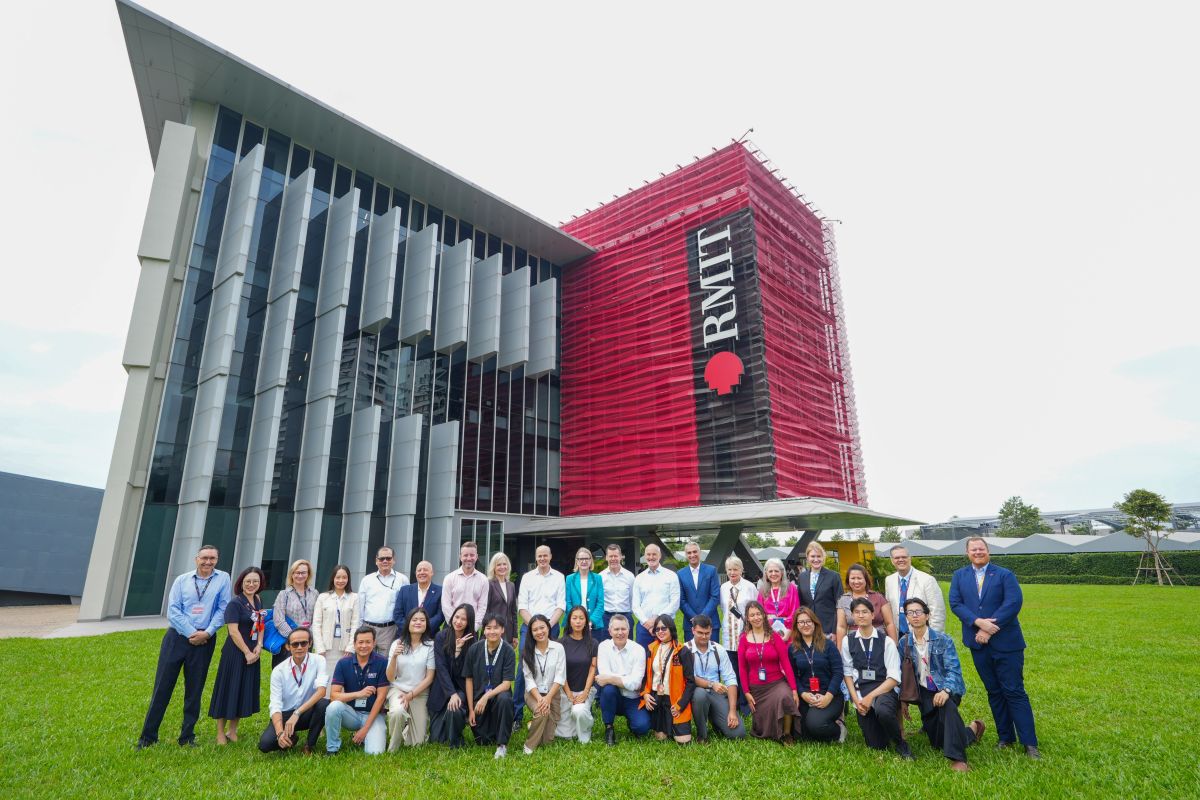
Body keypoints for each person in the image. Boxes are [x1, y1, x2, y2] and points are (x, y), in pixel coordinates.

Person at [949, 536, 1040, 759]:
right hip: (978, 646)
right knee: (994, 692)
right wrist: (978, 623)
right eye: (973, 549)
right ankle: (1005, 737)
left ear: (988, 551)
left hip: (1007, 644)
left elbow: (1013, 603)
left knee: (1014, 691)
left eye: (981, 548)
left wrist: (989, 627)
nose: (977, 552)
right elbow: (956, 603)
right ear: (967, 553)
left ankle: (1030, 744)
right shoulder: (959, 576)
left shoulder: (1004, 575)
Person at [136, 544, 231, 749]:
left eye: (212, 558)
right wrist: (191, 633)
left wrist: (207, 632)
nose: (208, 562)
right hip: (177, 639)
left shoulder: (223, 578)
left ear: (217, 560)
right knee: (162, 688)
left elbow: (223, 608)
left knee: (194, 691)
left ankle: (187, 737)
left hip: (205, 640)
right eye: (204, 558)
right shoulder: (181, 580)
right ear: (196, 559)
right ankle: (147, 737)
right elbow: (173, 611)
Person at [900, 598, 985, 771]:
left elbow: (954, 670)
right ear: (906, 617)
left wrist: (946, 691)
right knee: (938, 742)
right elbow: (902, 674)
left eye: (918, 612)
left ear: (927, 615)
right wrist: (903, 699)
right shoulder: (904, 643)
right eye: (910, 613)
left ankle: (958, 759)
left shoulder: (943, 640)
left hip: (947, 688)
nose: (914, 616)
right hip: (924, 693)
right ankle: (972, 730)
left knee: (947, 706)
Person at [841, 597, 912, 759]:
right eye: (857, 612)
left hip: (884, 689)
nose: (861, 615)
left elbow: (894, 678)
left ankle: (901, 743)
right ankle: (884, 729)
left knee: (883, 711)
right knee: (876, 744)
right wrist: (856, 700)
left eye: (865, 612)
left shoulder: (886, 641)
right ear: (852, 615)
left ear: (873, 615)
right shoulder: (847, 641)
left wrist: (870, 697)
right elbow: (847, 673)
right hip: (861, 691)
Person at [208, 566, 266, 744]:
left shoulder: (257, 600)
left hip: (252, 651)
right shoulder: (235, 603)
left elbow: (260, 624)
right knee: (228, 690)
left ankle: (232, 731)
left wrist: (259, 645)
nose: (251, 584)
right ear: (241, 583)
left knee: (242, 690)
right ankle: (220, 733)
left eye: (255, 581)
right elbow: (233, 631)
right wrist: (247, 652)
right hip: (236, 653)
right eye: (248, 581)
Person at [516, 545, 566, 724]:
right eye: (540, 556)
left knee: (553, 666)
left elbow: (561, 605)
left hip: (551, 626)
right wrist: (535, 627)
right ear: (536, 558)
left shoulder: (559, 577)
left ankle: (551, 706)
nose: (543, 559)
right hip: (529, 626)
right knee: (524, 667)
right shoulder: (527, 578)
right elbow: (522, 605)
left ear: (550, 556)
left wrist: (547, 626)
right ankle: (517, 714)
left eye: (546, 555)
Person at [258, 627, 329, 754]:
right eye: (295, 644)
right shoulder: (279, 671)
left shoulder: (319, 661)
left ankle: (309, 745)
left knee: (324, 704)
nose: (300, 647)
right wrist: (279, 733)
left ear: (310, 643)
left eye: (304, 643)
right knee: (265, 744)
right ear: (288, 647)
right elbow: (275, 705)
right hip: (285, 714)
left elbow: (321, 691)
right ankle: (291, 737)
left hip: (306, 712)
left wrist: (297, 713)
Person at [738, 600, 799, 742]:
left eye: (758, 614)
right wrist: (746, 692)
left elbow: (786, 663)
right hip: (757, 688)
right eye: (752, 615)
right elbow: (742, 668)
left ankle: (787, 734)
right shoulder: (743, 639)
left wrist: (794, 689)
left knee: (785, 696)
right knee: (762, 727)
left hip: (776, 682)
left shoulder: (774, 637)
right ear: (747, 618)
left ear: (764, 615)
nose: (756, 617)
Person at [324, 626, 389, 755]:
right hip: (351, 714)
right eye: (360, 642)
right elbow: (334, 695)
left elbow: (381, 698)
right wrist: (359, 694)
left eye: (368, 642)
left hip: (373, 715)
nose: (364, 646)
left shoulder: (382, 662)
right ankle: (332, 748)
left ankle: (366, 735)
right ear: (354, 644)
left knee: (375, 753)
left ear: (374, 643)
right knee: (333, 707)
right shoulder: (343, 663)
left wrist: (365, 729)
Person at [788, 606, 846, 744]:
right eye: (801, 622)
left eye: (808, 621)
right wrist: (803, 694)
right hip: (806, 695)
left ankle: (839, 729)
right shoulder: (793, 648)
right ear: (796, 626)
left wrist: (828, 696)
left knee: (815, 726)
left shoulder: (828, 645)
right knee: (801, 733)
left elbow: (838, 672)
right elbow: (792, 675)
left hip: (830, 695)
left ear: (815, 623)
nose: (805, 625)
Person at [685, 614, 745, 742]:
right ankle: (702, 735)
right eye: (700, 633)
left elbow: (731, 680)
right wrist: (711, 684)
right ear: (693, 631)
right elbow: (688, 677)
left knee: (738, 734)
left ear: (711, 631)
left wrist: (732, 711)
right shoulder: (685, 650)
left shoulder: (719, 650)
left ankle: (715, 719)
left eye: (707, 633)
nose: (704, 637)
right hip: (693, 693)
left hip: (716, 694)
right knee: (700, 694)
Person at [465, 613, 517, 759]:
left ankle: (502, 745)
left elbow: (507, 684)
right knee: (483, 741)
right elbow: (468, 679)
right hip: (478, 702)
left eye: (496, 628)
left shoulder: (508, 651)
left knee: (505, 699)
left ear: (502, 630)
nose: (492, 631)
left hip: (497, 699)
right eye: (488, 628)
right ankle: (495, 730)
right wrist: (470, 709)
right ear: (483, 630)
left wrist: (486, 696)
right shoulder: (474, 649)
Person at [595, 614, 650, 745]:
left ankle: (632, 722)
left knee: (642, 728)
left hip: (633, 698)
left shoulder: (638, 650)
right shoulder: (603, 647)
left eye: (623, 629)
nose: (620, 633)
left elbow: (636, 684)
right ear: (610, 631)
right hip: (613, 696)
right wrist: (626, 679)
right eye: (616, 629)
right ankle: (609, 728)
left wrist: (612, 678)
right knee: (608, 689)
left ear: (629, 631)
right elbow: (603, 677)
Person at [386, 607, 436, 749]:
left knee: (417, 743)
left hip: (419, 693)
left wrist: (411, 696)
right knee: (397, 712)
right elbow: (390, 677)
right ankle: (393, 746)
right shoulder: (397, 644)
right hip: (399, 690)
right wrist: (394, 657)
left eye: (422, 620)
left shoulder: (430, 646)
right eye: (414, 620)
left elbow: (429, 677)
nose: (418, 622)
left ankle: (407, 728)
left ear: (426, 624)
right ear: (408, 623)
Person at [641, 613, 694, 745]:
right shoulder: (651, 649)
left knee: (683, 741)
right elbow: (645, 677)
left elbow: (691, 682)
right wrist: (645, 694)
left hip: (676, 699)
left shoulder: (682, 651)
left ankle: (676, 726)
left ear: (671, 628)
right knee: (660, 737)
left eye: (663, 628)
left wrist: (680, 705)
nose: (660, 631)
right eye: (657, 629)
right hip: (657, 697)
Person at [429, 603, 475, 748]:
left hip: (461, 687)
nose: (458, 622)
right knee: (437, 739)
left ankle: (456, 739)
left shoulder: (472, 641)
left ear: (469, 622)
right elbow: (441, 668)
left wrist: (459, 653)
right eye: (456, 617)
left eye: (463, 619)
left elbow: (465, 673)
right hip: (442, 688)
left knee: (454, 709)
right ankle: (449, 728)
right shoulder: (441, 636)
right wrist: (451, 693)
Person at [520, 614, 565, 754]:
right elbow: (528, 680)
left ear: (548, 628)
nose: (539, 632)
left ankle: (533, 724)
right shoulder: (527, 651)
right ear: (531, 633)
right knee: (541, 711)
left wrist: (548, 698)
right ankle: (529, 746)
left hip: (553, 693)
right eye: (535, 630)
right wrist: (541, 699)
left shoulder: (558, 648)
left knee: (547, 741)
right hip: (534, 693)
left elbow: (560, 676)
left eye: (542, 628)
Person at [719, 555, 758, 714]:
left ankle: (746, 703)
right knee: (732, 670)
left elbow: (756, 609)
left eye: (735, 569)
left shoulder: (749, 587)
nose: (732, 572)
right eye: (729, 570)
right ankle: (733, 701)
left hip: (745, 635)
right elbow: (723, 608)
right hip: (729, 635)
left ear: (741, 570)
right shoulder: (723, 588)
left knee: (746, 669)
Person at [555, 605, 599, 743]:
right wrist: (568, 693)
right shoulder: (561, 643)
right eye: (574, 618)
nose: (578, 621)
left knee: (578, 712)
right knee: (564, 734)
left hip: (584, 690)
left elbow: (593, 668)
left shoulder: (593, 643)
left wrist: (585, 692)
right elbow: (560, 671)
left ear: (586, 621)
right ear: (569, 621)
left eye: (581, 618)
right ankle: (580, 718)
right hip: (565, 690)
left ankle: (585, 736)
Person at [312, 564, 360, 683]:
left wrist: (350, 647)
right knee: (325, 677)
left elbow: (356, 624)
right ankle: (324, 700)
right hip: (326, 645)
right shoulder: (323, 597)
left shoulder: (354, 598)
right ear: (333, 579)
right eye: (338, 577)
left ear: (348, 579)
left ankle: (340, 700)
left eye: (344, 577)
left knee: (343, 677)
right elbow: (316, 624)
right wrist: (320, 647)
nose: (341, 580)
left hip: (344, 646)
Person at [885, 545, 946, 635]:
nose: (901, 560)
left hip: (922, 634)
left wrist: (933, 637)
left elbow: (937, 612)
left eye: (904, 557)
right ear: (892, 560)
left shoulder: (927, 579)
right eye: (897, 557)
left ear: (910, 558)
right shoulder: (889, 580)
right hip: (899, 634)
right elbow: (889, 609)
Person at [358, 547, 408, 656]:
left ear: (393, 560)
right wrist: (360, 628)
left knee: (385, 663)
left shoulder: (403, 580)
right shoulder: (367, 580)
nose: (385, 561)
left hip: (389, 629)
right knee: (365, 658)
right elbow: (360, 606)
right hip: (368, 627)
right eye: (381, 559)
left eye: (388, 558)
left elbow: (405, 606)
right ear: (376, 561)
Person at [835, 563, 897, 646]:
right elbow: (841, 627)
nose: (856, 581)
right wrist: (840, 650)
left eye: (859, 578)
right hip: (854, 643)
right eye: (853, 578)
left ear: (866, 580)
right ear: (848, 580)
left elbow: (889, 623)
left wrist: (894, 645)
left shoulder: (878, 597)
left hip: (879, 641)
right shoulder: (843, 600)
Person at [272, 559, 320, 667]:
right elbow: (279, 620)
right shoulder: (284, 594)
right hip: (288, 644)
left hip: (307, 642)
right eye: (297, 572)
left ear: (308, 575)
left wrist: (307, 637)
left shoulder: (314, 593)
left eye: (303, 572)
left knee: (305, 675)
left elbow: (317, 618)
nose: (300, 575)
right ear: (292, 574)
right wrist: (294, 638)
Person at [632, 543, 679, 647]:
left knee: (666, 659)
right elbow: (635, 605)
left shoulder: (671, 576)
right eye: (648, 554)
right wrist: (646, 623)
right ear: (645, 556)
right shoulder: (639, 578)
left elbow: (675, 602)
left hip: (666, 626)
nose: (651, 557)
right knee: (643, 658)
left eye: (654, 554)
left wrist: (657, 620)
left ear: (660, 555)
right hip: (644, 627)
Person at [442, 541, 489, 632]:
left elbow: (482, 606)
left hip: (472, 627)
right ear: (460, 557)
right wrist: (454, 624)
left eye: (472, 555)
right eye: (465, 555)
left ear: (476, 557)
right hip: (451, 626)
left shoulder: (483, 580)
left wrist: (474, 627)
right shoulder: (449, 578)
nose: (469, 558)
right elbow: (446, 605)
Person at [677, 541, 720, 641]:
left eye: (695, 552)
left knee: (713, 655)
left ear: (700, 553)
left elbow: (715, 596)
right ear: (686, 555)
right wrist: (694, 618)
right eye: (689, 553)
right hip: (690, 624)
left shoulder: (711, 570)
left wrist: (702, 617)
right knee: (691, 655)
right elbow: (681, 600)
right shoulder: (680, 574)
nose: (692, 555)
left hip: (710, 622)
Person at [797, 542, 843, 635]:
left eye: (819, 556)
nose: (816, 559)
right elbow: (801, 605)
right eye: (812, 556)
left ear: (823, 557)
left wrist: (835, 631)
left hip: (828, 629)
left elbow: (840, 605)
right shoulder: (802, 577)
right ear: (807, 558)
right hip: (808, 628)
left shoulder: (834, 576)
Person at [393, 560, 444, 632]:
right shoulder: (404, 590)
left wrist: (424, 628)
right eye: (419, 570)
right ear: (416, 573)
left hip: (430, 634)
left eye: (425, 570)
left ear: (432, 573)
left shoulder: (440, 591)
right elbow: (397, 614)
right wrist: (410, 629)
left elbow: (440, 615)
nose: (422, 572)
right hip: (406, 635)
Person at [599, 543, 635, 644]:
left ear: (621, 557)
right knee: (605, 647)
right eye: (610, 556)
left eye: (616, 556)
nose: (613, 559)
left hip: (625, 616)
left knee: (627, 647)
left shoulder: (629, 576)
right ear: (606, 557)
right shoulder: (600, 577)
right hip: (606, 618)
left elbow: (633, 598)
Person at [565, 547, 604, 636]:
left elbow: (600, 603)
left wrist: (591, 621)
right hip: (574, 625)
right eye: (581, 559)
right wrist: (575, 620)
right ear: (577, 561)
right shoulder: (569, 579)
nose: (584, 561)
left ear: (591, 561)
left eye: (587, 558)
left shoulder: (598, 578)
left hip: (594, 627)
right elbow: (568, 602)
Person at [758, 557, 799, 636]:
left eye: (776, 571)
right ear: (766, 573)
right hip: (768, 632)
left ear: (782, 572)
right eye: (770, 571)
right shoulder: (762, 591)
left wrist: (787, 633)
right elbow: (759, 612)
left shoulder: (791, 588)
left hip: (788, 633)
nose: (773, 574)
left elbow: (795, 612)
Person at [486, 552, 519, 647]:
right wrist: (488, 629)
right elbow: (486, 610)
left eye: (504, 564)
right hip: (493, 631)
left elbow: (514, 613)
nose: (502, 567)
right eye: (499, 564)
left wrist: (515, 635)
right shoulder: (489, 584)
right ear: (494, 567)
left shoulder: (511, 585)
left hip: (508, 633)